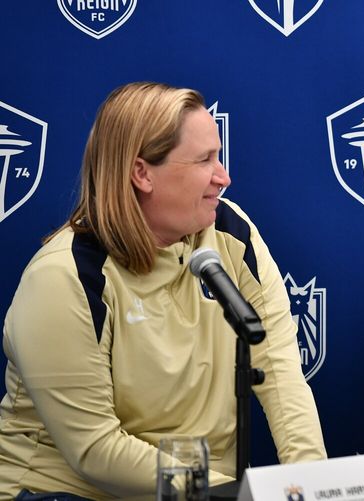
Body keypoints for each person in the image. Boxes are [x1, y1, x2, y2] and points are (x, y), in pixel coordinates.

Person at [0, 82, 326, 499]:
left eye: (219, 156)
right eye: (205, 160)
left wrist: (312, 486)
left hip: (200, 493)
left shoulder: (232, 233)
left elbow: (279, 372)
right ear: (141, 173)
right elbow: (95, 448)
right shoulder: (63, 276)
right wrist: (234, 495)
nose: (224, 177)